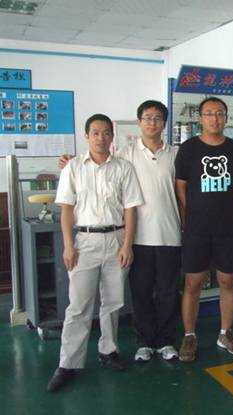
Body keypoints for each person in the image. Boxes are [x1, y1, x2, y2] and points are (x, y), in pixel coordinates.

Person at [59, 101, 182, 363]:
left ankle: (165, 341)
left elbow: (183, 190)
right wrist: (69, 162)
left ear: (164, 123)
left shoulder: (175, 154)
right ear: (139, 122)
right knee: (140, 293)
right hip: (135, 238)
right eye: (147, 118)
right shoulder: (126, 155)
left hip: (169, 233)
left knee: (168, 292)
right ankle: (144, 342)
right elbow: (99, 161)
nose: (152, 123)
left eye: (157, 118)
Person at [47, 114, 143, 392]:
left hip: (116, 239)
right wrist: (68, 245)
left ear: (112, 136)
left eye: (106, 133)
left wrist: (127, 244)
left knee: (113, 302)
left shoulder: (124, 168)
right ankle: (68, 363)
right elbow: (66, 209)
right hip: (85, 243)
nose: (101, 138)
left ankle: (108, 350)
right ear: (87, 136)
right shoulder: (73, 167)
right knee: (79, 305)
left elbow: (131, 209)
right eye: (96, 133)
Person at [175, 97, 233, 362]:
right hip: (197, 229)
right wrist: (194, 214)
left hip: (228, 228)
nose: (214, 118)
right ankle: (189, 335)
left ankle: (225, 333)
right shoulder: (188, 149)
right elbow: (181, 188)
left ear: (226, 118)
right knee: (192, 283)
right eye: (208, 114)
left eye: (219, 113)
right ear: (200, 119)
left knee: (227, 281)